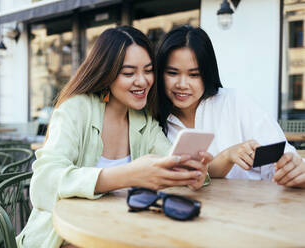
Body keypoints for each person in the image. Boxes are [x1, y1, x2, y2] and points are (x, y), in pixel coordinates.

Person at [17, 26, 212, 248]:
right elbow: (43, 183)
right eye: (129, 73)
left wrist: (193, 174)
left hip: (118, 231)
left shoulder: (143, 120)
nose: (142, 81)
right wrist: (126, 175)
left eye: (148, 70)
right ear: (106, 73)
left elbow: (171, 160)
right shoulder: (76, 110)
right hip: (64, 236)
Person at [154, 25, 305, 188]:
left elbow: (280, 159)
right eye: (172, 73)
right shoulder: (152, 121)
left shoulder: (236, 103)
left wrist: (292, 169)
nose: (182, 84)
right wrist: (227, 156)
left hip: (254, 207)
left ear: (207, 73)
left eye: (194, 75)